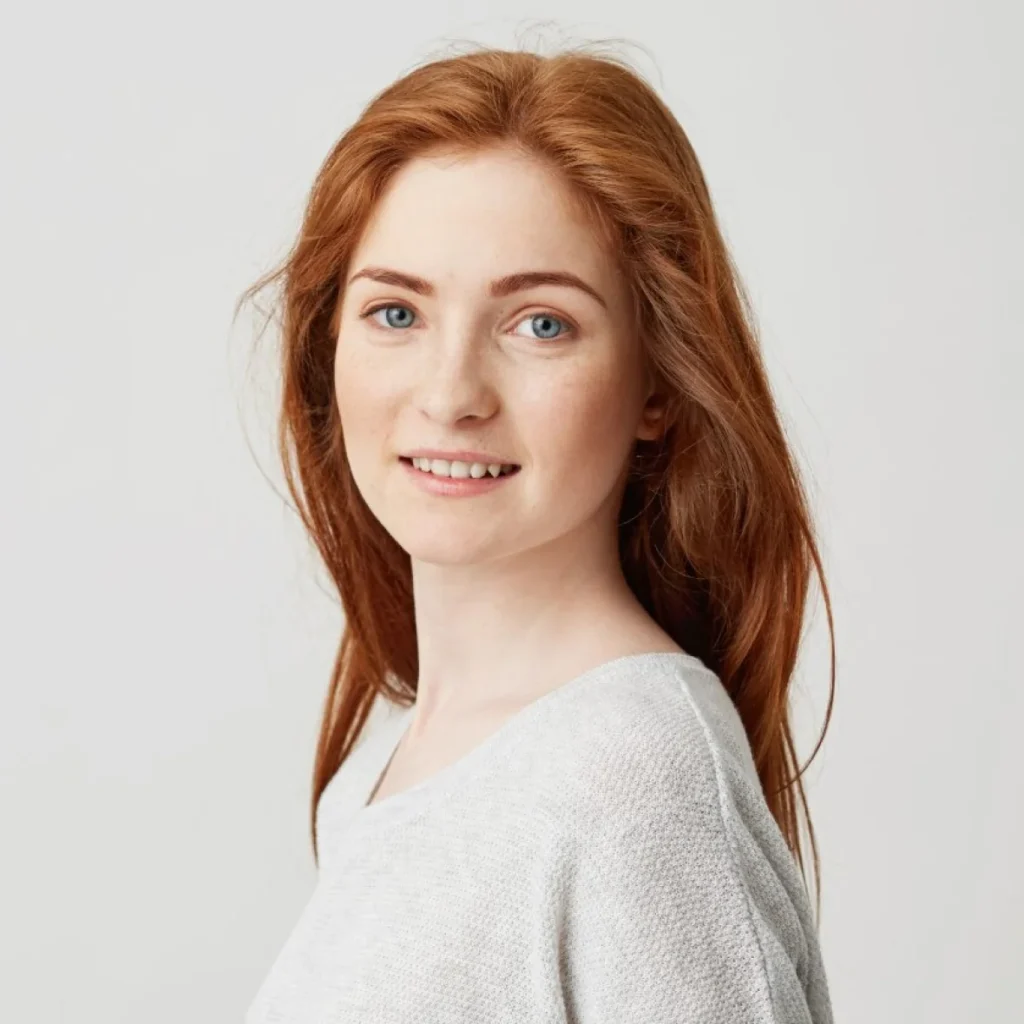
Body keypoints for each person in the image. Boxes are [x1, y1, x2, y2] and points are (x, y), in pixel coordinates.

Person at [240, 42, 836, 1023]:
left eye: (540, 324)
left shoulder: (633, 775)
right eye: (396, 312)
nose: (451, 394)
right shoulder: (388, 766)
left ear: (657, 383)